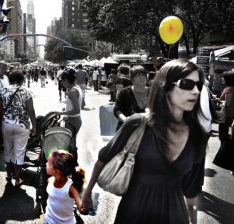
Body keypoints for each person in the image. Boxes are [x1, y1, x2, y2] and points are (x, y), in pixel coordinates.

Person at [82, 59, 209, 224]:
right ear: (165, 86)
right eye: (186, 84)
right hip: (133, 213)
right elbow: (102, 160)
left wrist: (193, 219)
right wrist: (87, 192)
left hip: (175, 216)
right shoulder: (136, 123)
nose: (196, 92)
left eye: (199, 86)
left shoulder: (198, 136)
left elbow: (191, 192)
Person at [0, 70, 36, 187]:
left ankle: (8, 175)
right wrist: (34, 126)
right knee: (19, 152)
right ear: (22, 80)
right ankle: (17, 179)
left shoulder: (2, 91)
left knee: (8, 150)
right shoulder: (26, 91)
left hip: (6, 124)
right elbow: (31, 110)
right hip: (22, 126)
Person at [44, 150, 86, 224]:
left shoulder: (71, 188)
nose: (46, 164)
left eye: (49, 163)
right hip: (48, 220)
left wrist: (84, 208)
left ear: (57, 171)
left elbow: (81, 207)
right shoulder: (49, 181)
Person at [57, 69, 83, 160]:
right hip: (73, 119)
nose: (61, 84)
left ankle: (72, 167)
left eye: (62, 81)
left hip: (73, 121)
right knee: (71, 144)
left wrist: (62, 113)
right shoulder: (76, 88)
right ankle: (73, 167)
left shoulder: (72, 91)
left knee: (70, 146)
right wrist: (66, 111)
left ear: (66, 80)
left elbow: (77, 110)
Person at [113, 65, 149, 131]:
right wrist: (125, 120)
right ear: (132, 79)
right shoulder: (124, 92)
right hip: (127, 129)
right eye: (137, 76)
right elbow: (117, 110)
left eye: (143, 75)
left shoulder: (153, 92)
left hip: (147, 131)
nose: (141, 78)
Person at [218, 71, 234, 141]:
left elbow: (227, 103)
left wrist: (218, 101)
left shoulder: (229, 89)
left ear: (228, 79)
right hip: (229, 115)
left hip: (226, 115)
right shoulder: (230, 88)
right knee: (224, 134)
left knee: (222, 135)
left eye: (223, 78)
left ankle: (223, 150)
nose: (222, 79)